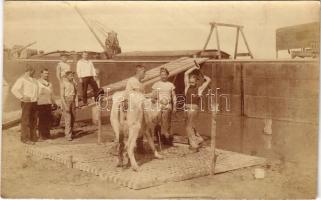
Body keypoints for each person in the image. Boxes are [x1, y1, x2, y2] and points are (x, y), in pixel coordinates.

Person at [184, 64, 211, 151]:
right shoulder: (187, 87)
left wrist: (202, 75)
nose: (191, 83)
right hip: (186, 107)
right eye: (190, 81)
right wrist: (194, 68)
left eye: (193, 81)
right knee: (189, 126)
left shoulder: (199, 89)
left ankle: (194, 145)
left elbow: (208, 80)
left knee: (189, 127)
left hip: (194, 107)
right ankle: (199, 139)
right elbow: (185, 74)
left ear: (196, 81)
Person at [11, 65, 39, 145]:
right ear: (28, 71)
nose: (33, 73)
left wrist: (36, 98)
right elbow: (14, 89)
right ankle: (25, 139)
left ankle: (33, 137)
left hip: (34, 102)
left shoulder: (34, 80)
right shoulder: (22, 79)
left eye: (33, 71)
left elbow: (36, 90)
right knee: (26, 120)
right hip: (26, 103)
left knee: (33, 120)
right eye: (32, 71)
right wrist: (22, 97)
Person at [151, 67, 176, 145]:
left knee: (166, 121)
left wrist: (174, 106)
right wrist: (155, 99)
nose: (163, 76)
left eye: (165, 75)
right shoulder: (156, 84)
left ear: (167, 75)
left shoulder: (170, 85)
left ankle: (167, 138)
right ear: (160, 75)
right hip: (158, 105)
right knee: (157, 122)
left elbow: (173, 96)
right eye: (162, 75)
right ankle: (158, 138)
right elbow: (153, 96)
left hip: (168, 105)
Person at [37, 69, 56, 141]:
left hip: (48, 103)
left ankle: (47, 135)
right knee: (42, 120)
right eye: (45, 73)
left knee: (48, 120)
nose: (47, 75)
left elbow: (52, 94)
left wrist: (54, 102)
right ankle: (41, 136)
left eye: (47, 74)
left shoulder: (50, 83)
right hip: (40, 103)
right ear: (41, 74)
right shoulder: (37, 82)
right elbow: (36, 93)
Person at [60, 71, 77, 141]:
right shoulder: (63, 83)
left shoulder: (73, 83)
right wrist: (65, 105)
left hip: (72, 101)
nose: (72, 77)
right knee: (68, 119)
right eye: (70, 76)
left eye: (73, 76)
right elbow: (62, 96)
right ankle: (68, 135)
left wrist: (75, 102)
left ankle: (71, 132)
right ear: (67, 76)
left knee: (73, 118)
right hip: (66, 101)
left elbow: (75, 93)